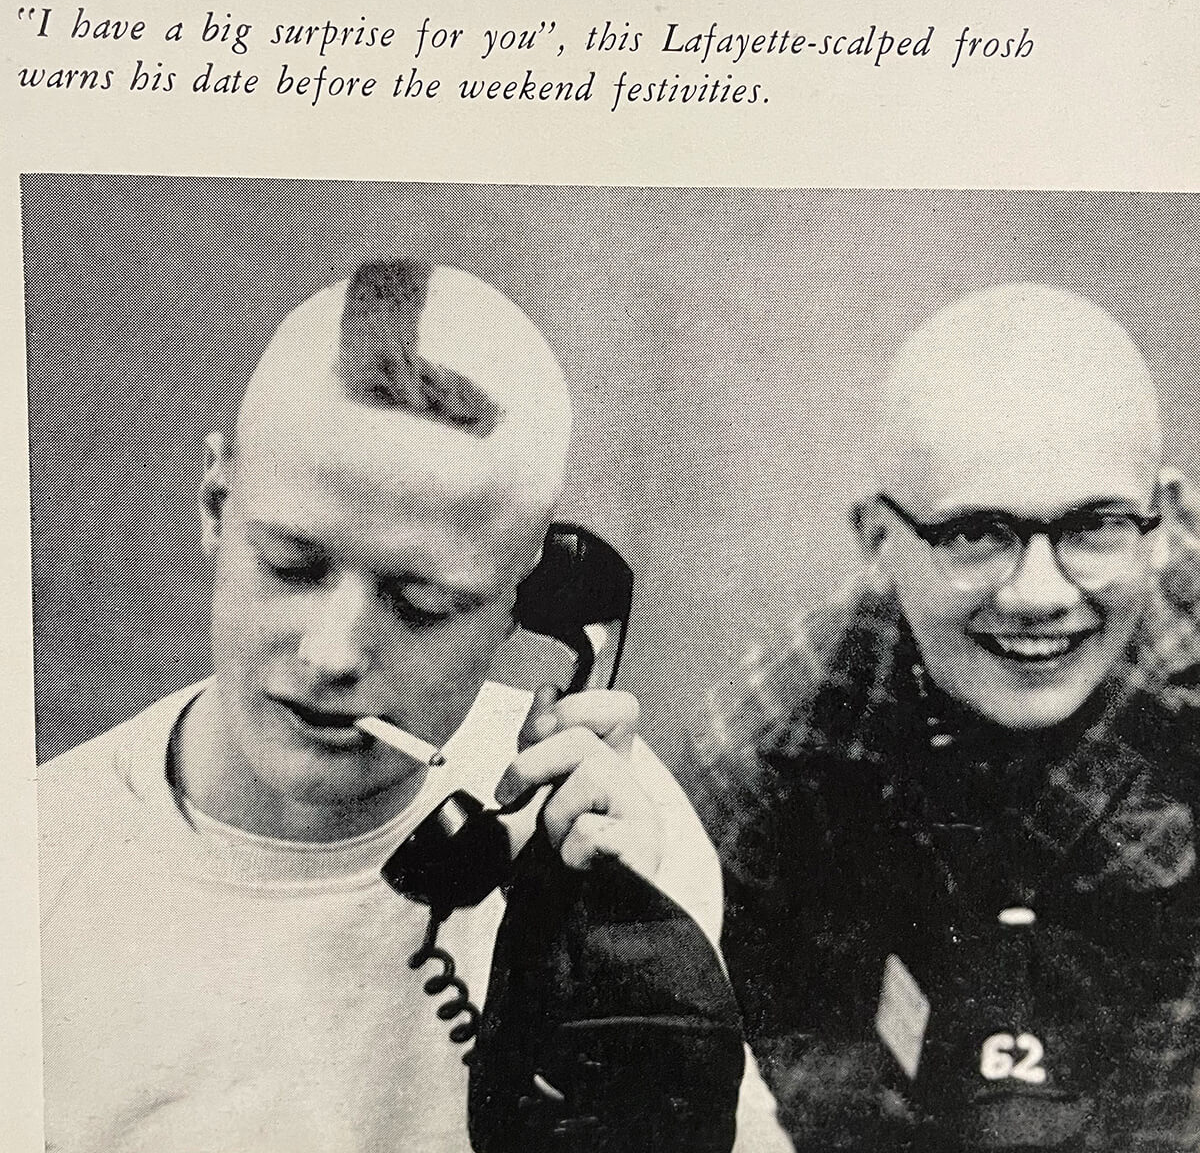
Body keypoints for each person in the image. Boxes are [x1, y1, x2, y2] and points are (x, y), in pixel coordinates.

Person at [38, 259, 788, 1153]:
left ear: (525, 603)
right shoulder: (39, 875)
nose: (331, 654)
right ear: (214, 505)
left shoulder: (611, 831)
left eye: (421, 605)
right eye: (291, 565)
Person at [697, 283, 1200, 1150]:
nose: (1039, 594)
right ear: (878, 539)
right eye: (975, 534)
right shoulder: (771, 750)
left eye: (1095, 526)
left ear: (1164, 521)